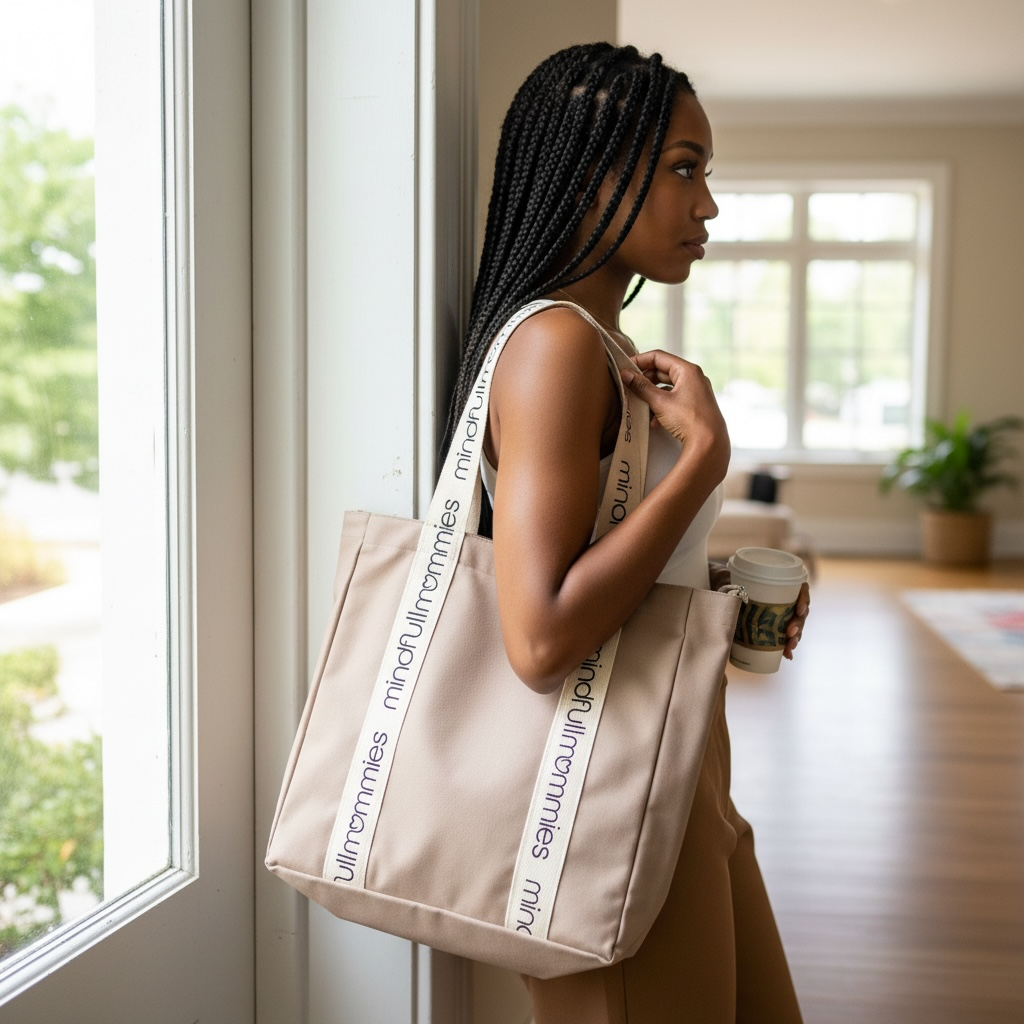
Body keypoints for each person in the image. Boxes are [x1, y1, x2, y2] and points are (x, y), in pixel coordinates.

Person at [445, 43, 809, 1024]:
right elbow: (542, 635)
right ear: (592, 173)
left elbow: (606, 561)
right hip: (605, 792)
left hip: (681, 770)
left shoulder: (600, 346)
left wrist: (717, 577)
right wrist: (701, 461)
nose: (707, 205)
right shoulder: (555, 344)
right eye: (684, 167)